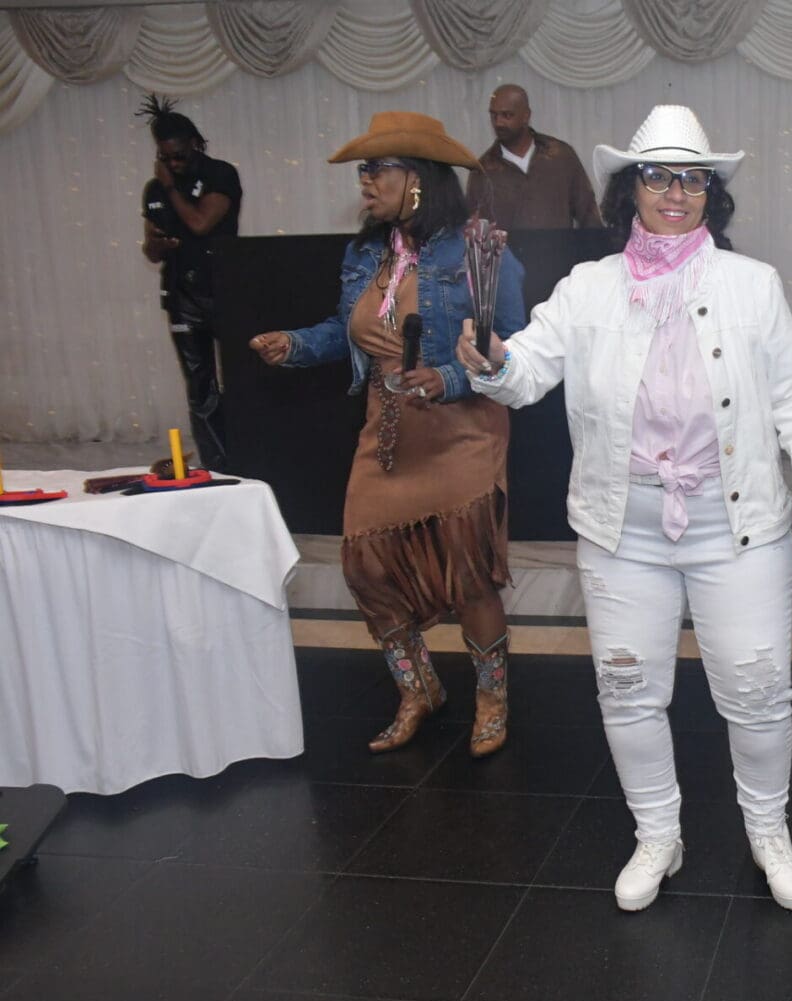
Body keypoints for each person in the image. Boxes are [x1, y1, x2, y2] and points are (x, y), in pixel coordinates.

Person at [457, 105, 792, 914]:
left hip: (736, 524)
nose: (675, 192)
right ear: (630, 188)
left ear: (710, 192)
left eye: (691, 178)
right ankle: (657, 834)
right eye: (658, 175)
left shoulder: (751, 285)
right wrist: (491, 360)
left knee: (759, 687)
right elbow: (525, 369)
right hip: (622, 528)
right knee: (628, 690)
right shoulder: (589, 288)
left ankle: (768, 831)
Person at [248, 112, 526, 759]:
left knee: (470, 574)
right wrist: (295, 345)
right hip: (389, 431)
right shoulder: (364, 253)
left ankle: (492, 698)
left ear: (419, 179)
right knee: (367, 567)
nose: (366, 182)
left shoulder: (479, 250)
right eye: (364, 172)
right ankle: (419, 689)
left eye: (378, 170)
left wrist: (451, 377)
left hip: (461, 431)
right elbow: (342, 330)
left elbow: (518, 346)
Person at [138, 94, 240, 471]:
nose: (172, 163)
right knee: (200, 388)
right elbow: (150, 250)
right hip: (182, 295)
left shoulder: (220, 174)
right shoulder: (154, 190)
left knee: (242, 380)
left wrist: (170, 188)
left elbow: (200, 222)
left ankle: (253, 457)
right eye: (164, 157)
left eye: (178, 155)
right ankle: (219, 466)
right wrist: (157, 244)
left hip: (226, 291)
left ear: (195, 144)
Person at [465, 84, 602, 230]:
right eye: (494, 115)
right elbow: (474, 232)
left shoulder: (561, 156)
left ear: (526, 116)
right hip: (507, 253)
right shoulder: (482, 171)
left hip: (560, 252)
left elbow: (589, 216)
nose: (498, 122)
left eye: (507, 115)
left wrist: (595, 249)